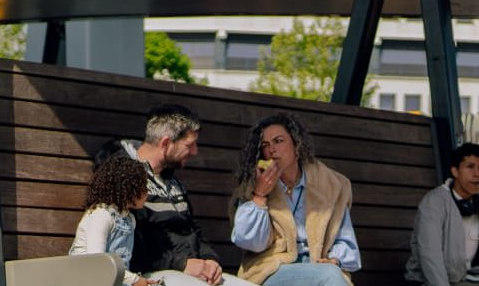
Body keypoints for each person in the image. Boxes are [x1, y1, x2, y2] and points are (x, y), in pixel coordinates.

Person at [94, 105, 253, 286]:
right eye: (189, 145)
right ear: (165, 143)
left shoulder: (172, 182)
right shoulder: (125, 179)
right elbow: (127, 242)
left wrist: (209, 259)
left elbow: (193, 229)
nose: (195, 151)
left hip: (187, 272)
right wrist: (181, 264)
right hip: (149, 275)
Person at [229, 113, 360, 286]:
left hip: (318, 266)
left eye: (278, 141)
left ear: (297, 145)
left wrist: (335, 260)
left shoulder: (330, 185)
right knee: (329, 276)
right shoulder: (253, 186)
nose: (272, 149)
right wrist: (260, 196)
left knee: (330, 273)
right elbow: (251, 242)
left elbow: (345, 239)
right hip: (273, 270)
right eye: (265, 145)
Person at [410, 143, 479, 286]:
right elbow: (430, 255)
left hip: (469, 279)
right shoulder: (435, 201)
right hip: (431, 281)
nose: (477, 174)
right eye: (470, 166)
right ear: (455, 171)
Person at [69, 155, 162, 286]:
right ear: (129, 188)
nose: (147, 192)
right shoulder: (101, 215)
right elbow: (97, 262)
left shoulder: (129, 220)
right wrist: (134, 280)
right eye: (144, 186)